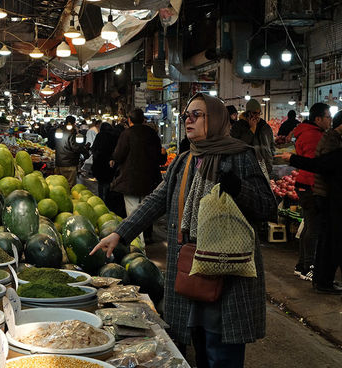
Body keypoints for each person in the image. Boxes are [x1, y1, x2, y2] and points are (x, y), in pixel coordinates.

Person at [92, 94, 276, 368]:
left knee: (222, 350)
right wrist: (120, 233)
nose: (188, 120)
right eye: (186, 115)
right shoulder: (186, 159)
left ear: (214, 119)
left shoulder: (241, 156)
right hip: (190, 267)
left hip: (227, 272)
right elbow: (157, 199)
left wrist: (239, 188)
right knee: (199, 345)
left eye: (196, 115)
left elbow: (267, 206)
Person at [277, 111, 342, 294]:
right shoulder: (325, 139)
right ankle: (313, 272)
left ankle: (309, 269)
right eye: (326, 116)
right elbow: (321, 164)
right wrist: (293, 159)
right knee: (322, 235)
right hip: (323, 193)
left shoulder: (324, 137)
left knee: (319, 234)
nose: (328, 120)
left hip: (318, 191)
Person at [110, 109, 166, 246]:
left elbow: (118, 155)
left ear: (129, 121)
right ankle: (147, 237)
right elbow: (159, 159)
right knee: (148, 208)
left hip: (130, 181)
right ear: (143, 120)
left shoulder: (126, 134)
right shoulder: (152, 134)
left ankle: (138, 245)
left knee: (133, 211)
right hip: (150, 180)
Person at [290, 102, 331, 281]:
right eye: (328, 117)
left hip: (303, 183)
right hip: (310, 185)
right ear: (318, 119)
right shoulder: (314, 136)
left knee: (308, 226)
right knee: (312, 228)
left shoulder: (306, 132)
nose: (330, 120)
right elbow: (316, 164)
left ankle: (301, 265)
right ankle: (308, 267)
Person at [230, 99, 275, 174]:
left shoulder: (265, 127)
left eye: (259, 113)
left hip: (265, 167)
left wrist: (270, 158)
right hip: (245, 168)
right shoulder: (238, 126)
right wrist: (252, 130)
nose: (257, 116)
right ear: (248, 113)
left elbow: (272, 145)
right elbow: (238, 146)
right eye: (254, 113)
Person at [54, 116, 88, 187]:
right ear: (74, 123)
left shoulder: (59, 131)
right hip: (69, 164)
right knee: (70, 186)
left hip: (59, 163)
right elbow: (75, 147)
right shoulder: (71, 133)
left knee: (59, 186)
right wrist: (84, 150)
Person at [91, 122, 117, 203]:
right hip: (109, 164)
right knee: (108, 183)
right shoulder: (114, 136)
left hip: (99, 164)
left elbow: (94, 148)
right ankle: (107, 200)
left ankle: (101, 200)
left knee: (101, 183)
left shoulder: (99, 136)